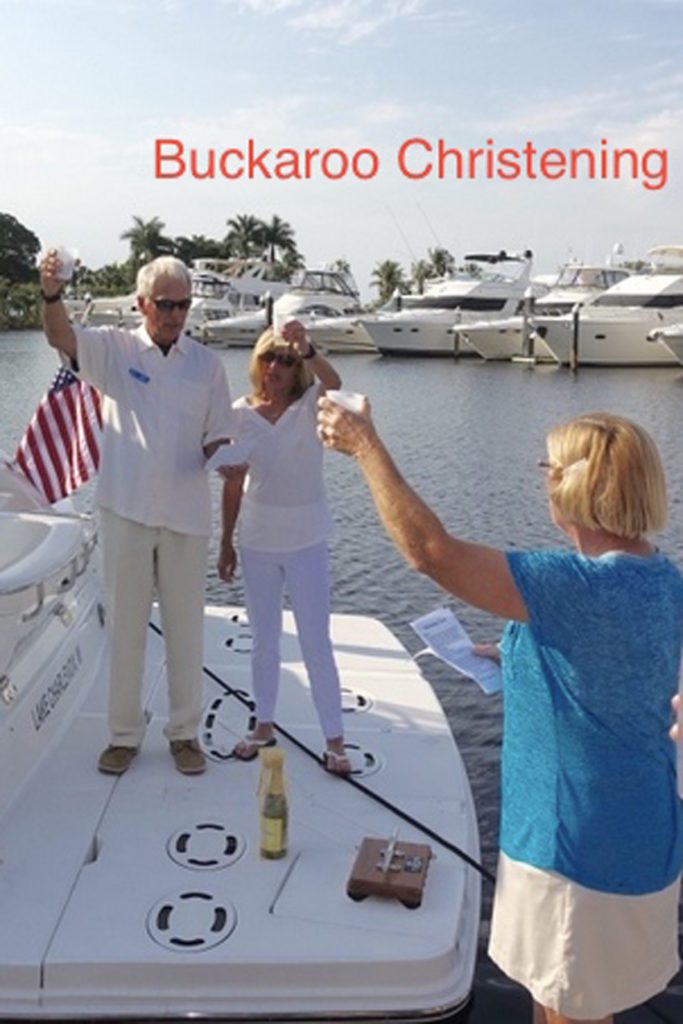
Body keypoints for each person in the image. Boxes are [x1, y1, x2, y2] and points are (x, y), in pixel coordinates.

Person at [316, 400, 683, 1024]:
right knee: (569, 1004)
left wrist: (365, 447)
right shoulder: (662, 579)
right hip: (642, 838)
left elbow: (430, 552)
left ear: (573, 486)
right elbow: (612, 670)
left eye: (548, 467)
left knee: (569, 1011)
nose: (542, 479)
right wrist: (517, 653)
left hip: (574, 857)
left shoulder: (573, 586)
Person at [40, 251, 235, 776]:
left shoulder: (208, 365)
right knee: (125, 630)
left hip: (186, 518)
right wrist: (52, 292)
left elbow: (218, 435)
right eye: (166, 304)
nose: (175, 314)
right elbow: (61, 337)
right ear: (142, 303)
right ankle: (123, 736)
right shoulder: (115, 349)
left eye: (183, 305)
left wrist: (232, 460)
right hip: (125, 510)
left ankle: (184, 735)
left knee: (186, 632)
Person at [217, 320, 351, 774]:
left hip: (307, 540)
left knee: (315, 641)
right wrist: (225, 542)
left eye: (286, 361)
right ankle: (263, 726)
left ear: (298, 369)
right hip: (257, 540)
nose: (275, 367)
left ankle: (335, 739)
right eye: (268, 358)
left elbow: (336, 383)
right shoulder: (238, 414)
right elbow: (231, 484)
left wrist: (306, 346)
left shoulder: (311, 404)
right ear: (257, 363)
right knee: (263, 641)